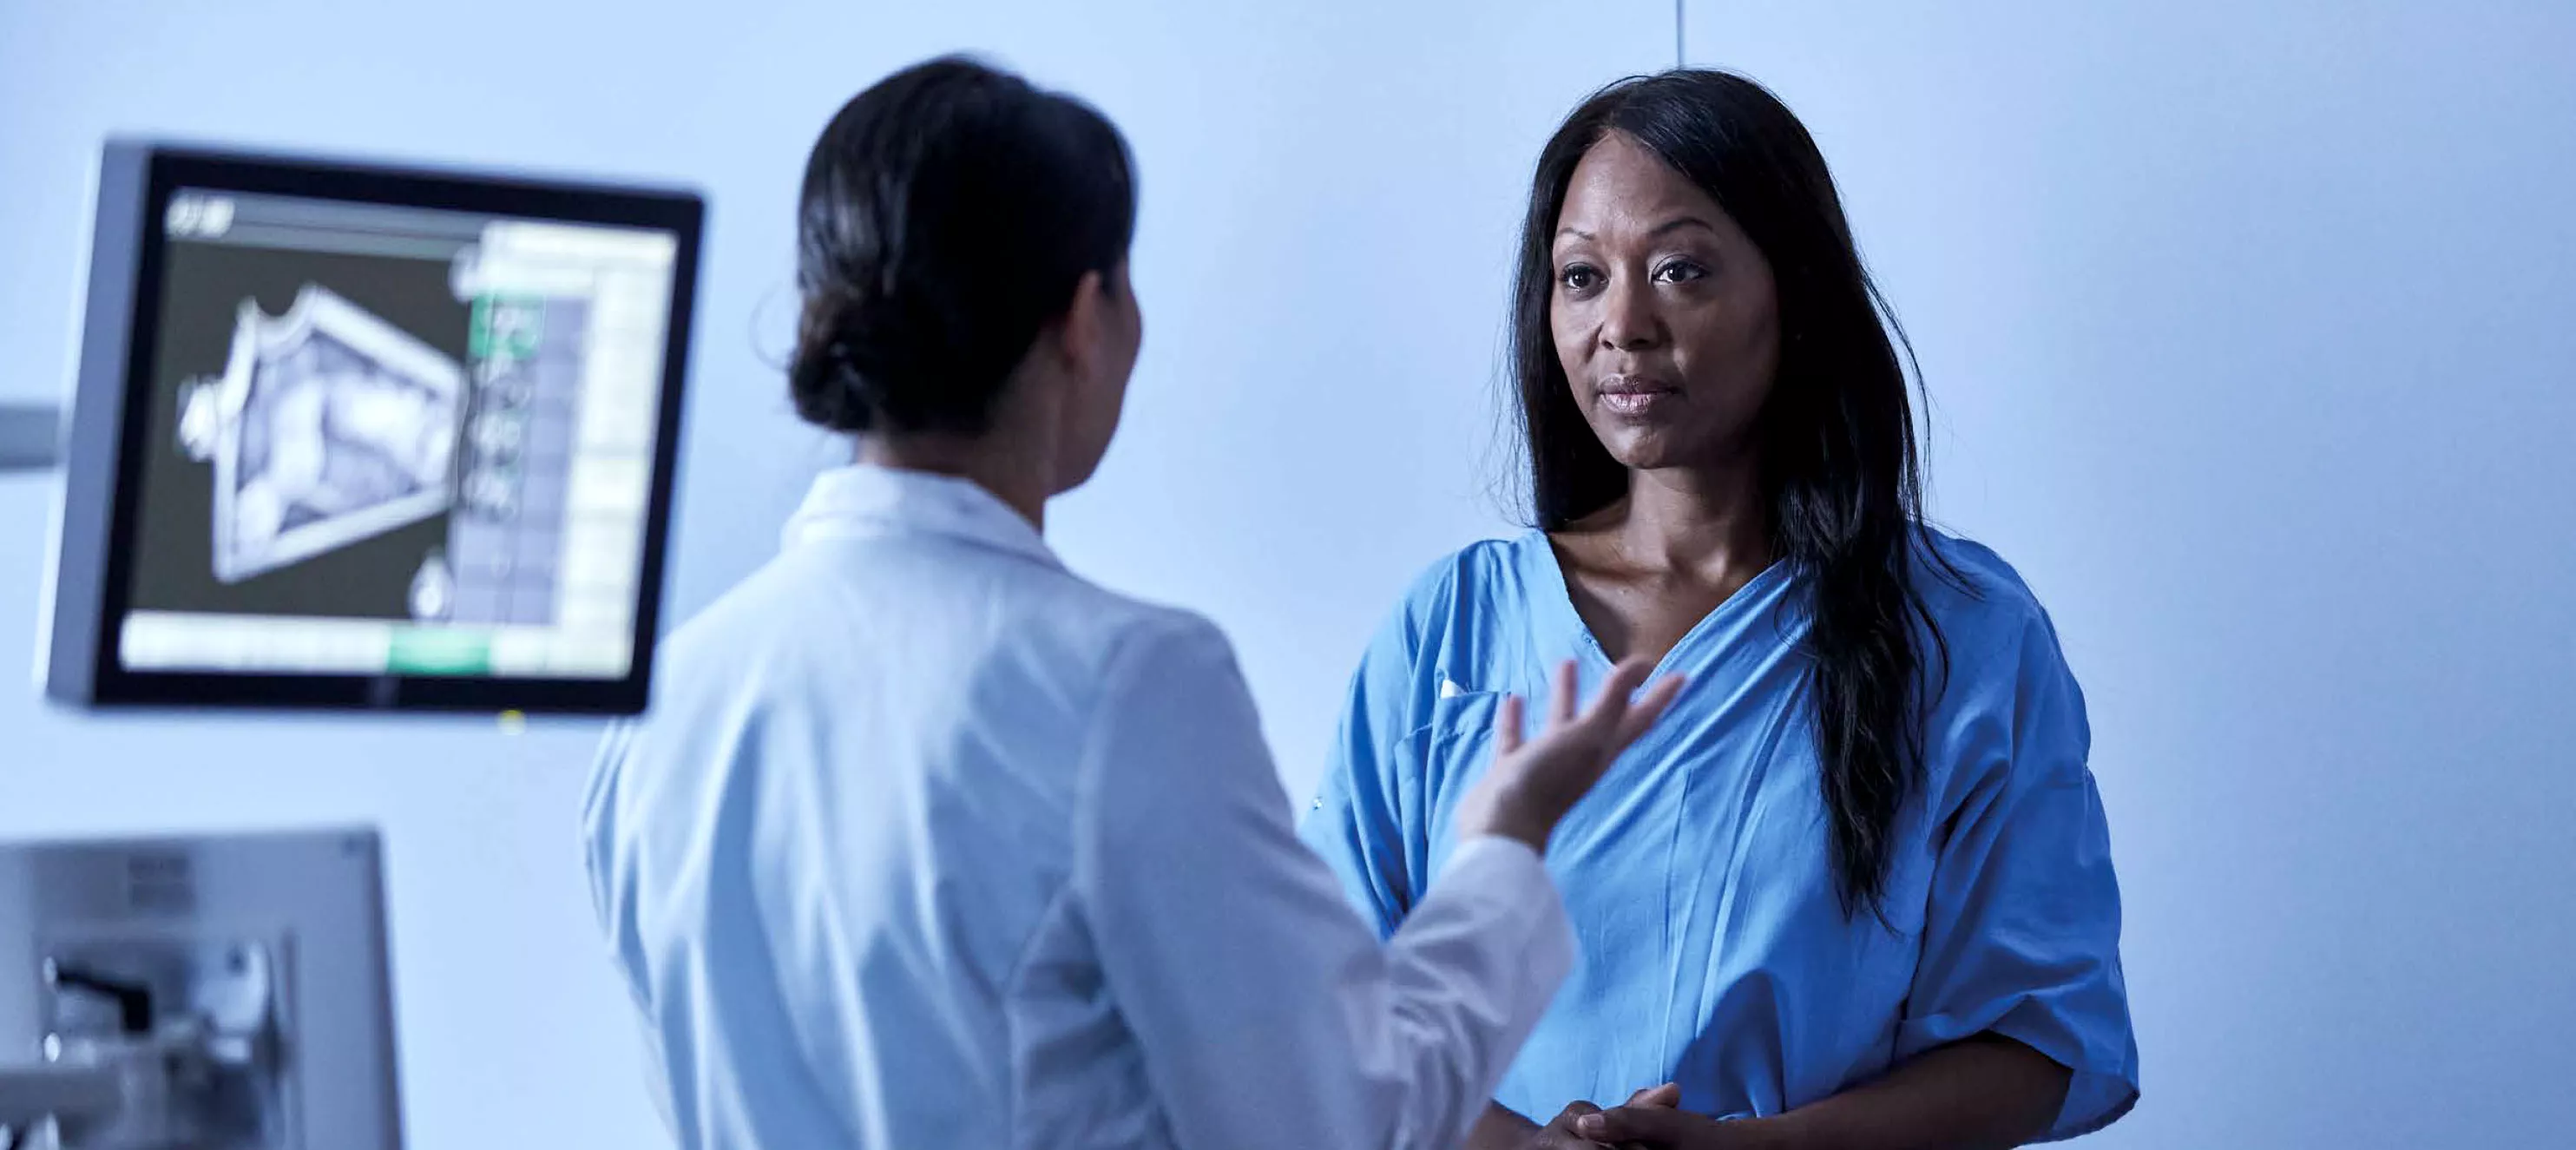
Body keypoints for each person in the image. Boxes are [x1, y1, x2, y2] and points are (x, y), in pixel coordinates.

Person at [579, 56, 1687, 1150]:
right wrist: (1504, 843)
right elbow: (1348, 1118)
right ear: (1083, 318)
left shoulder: (664, 703)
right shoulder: (1127, 683)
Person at [1300, 70, 2139, 1148]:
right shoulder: (1450, 628)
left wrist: (1756, 1148)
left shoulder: (1961, 632)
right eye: (1580, 277)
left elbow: (2040, 1036)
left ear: (1791, 293)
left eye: (1679, 270)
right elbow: (1323, 1000)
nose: (1621, 325)